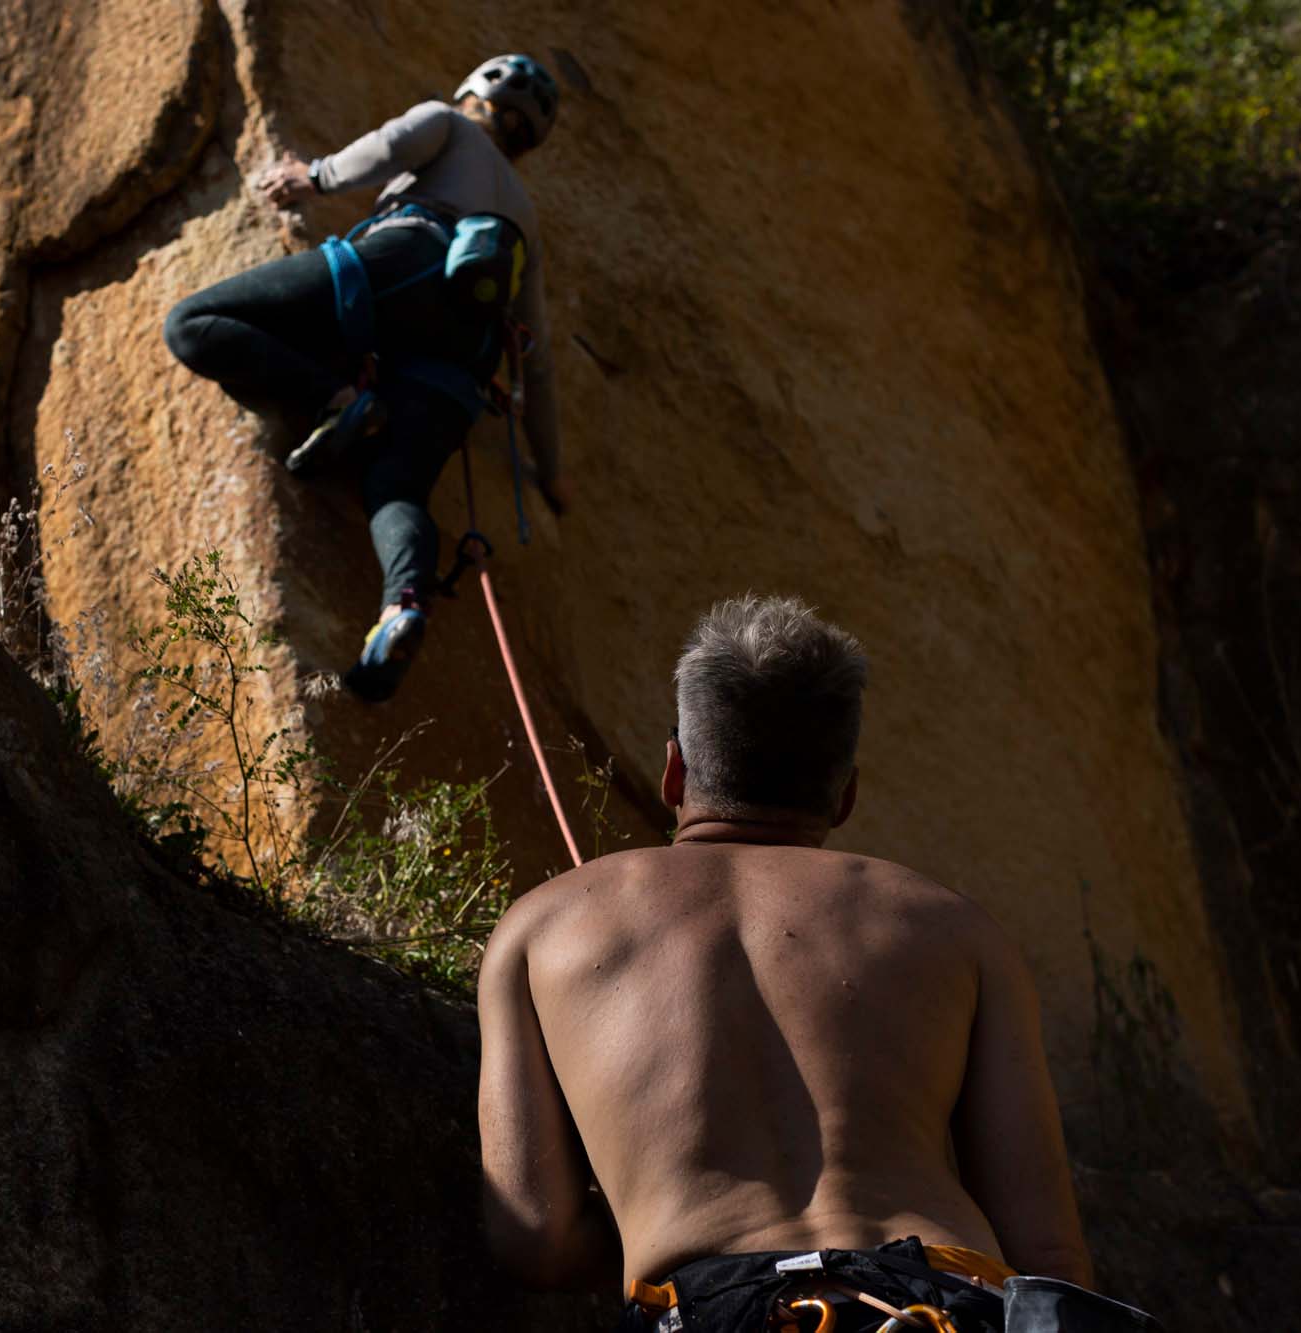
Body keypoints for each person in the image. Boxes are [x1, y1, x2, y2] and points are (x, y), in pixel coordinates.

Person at [478, 596, 1162, 1332]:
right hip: (938, 1304)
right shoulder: (955, 929)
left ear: (675, 771)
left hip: (710, 1310)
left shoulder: (539, 928)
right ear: (846, 794)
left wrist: (663, 1204)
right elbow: (1048, 1254)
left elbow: (533, 1239)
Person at [162, 55, 569, 702]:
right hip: (462, 359)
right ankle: (402, 605)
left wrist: (312, 177)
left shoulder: (446, 121)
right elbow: (537, 357)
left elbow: (389, 148)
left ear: (474, 96)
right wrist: (550, 472)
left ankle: (336, 399)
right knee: (395, 485)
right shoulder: (523, 216)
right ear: (527, 141)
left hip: (401, 266)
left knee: (193, 323)